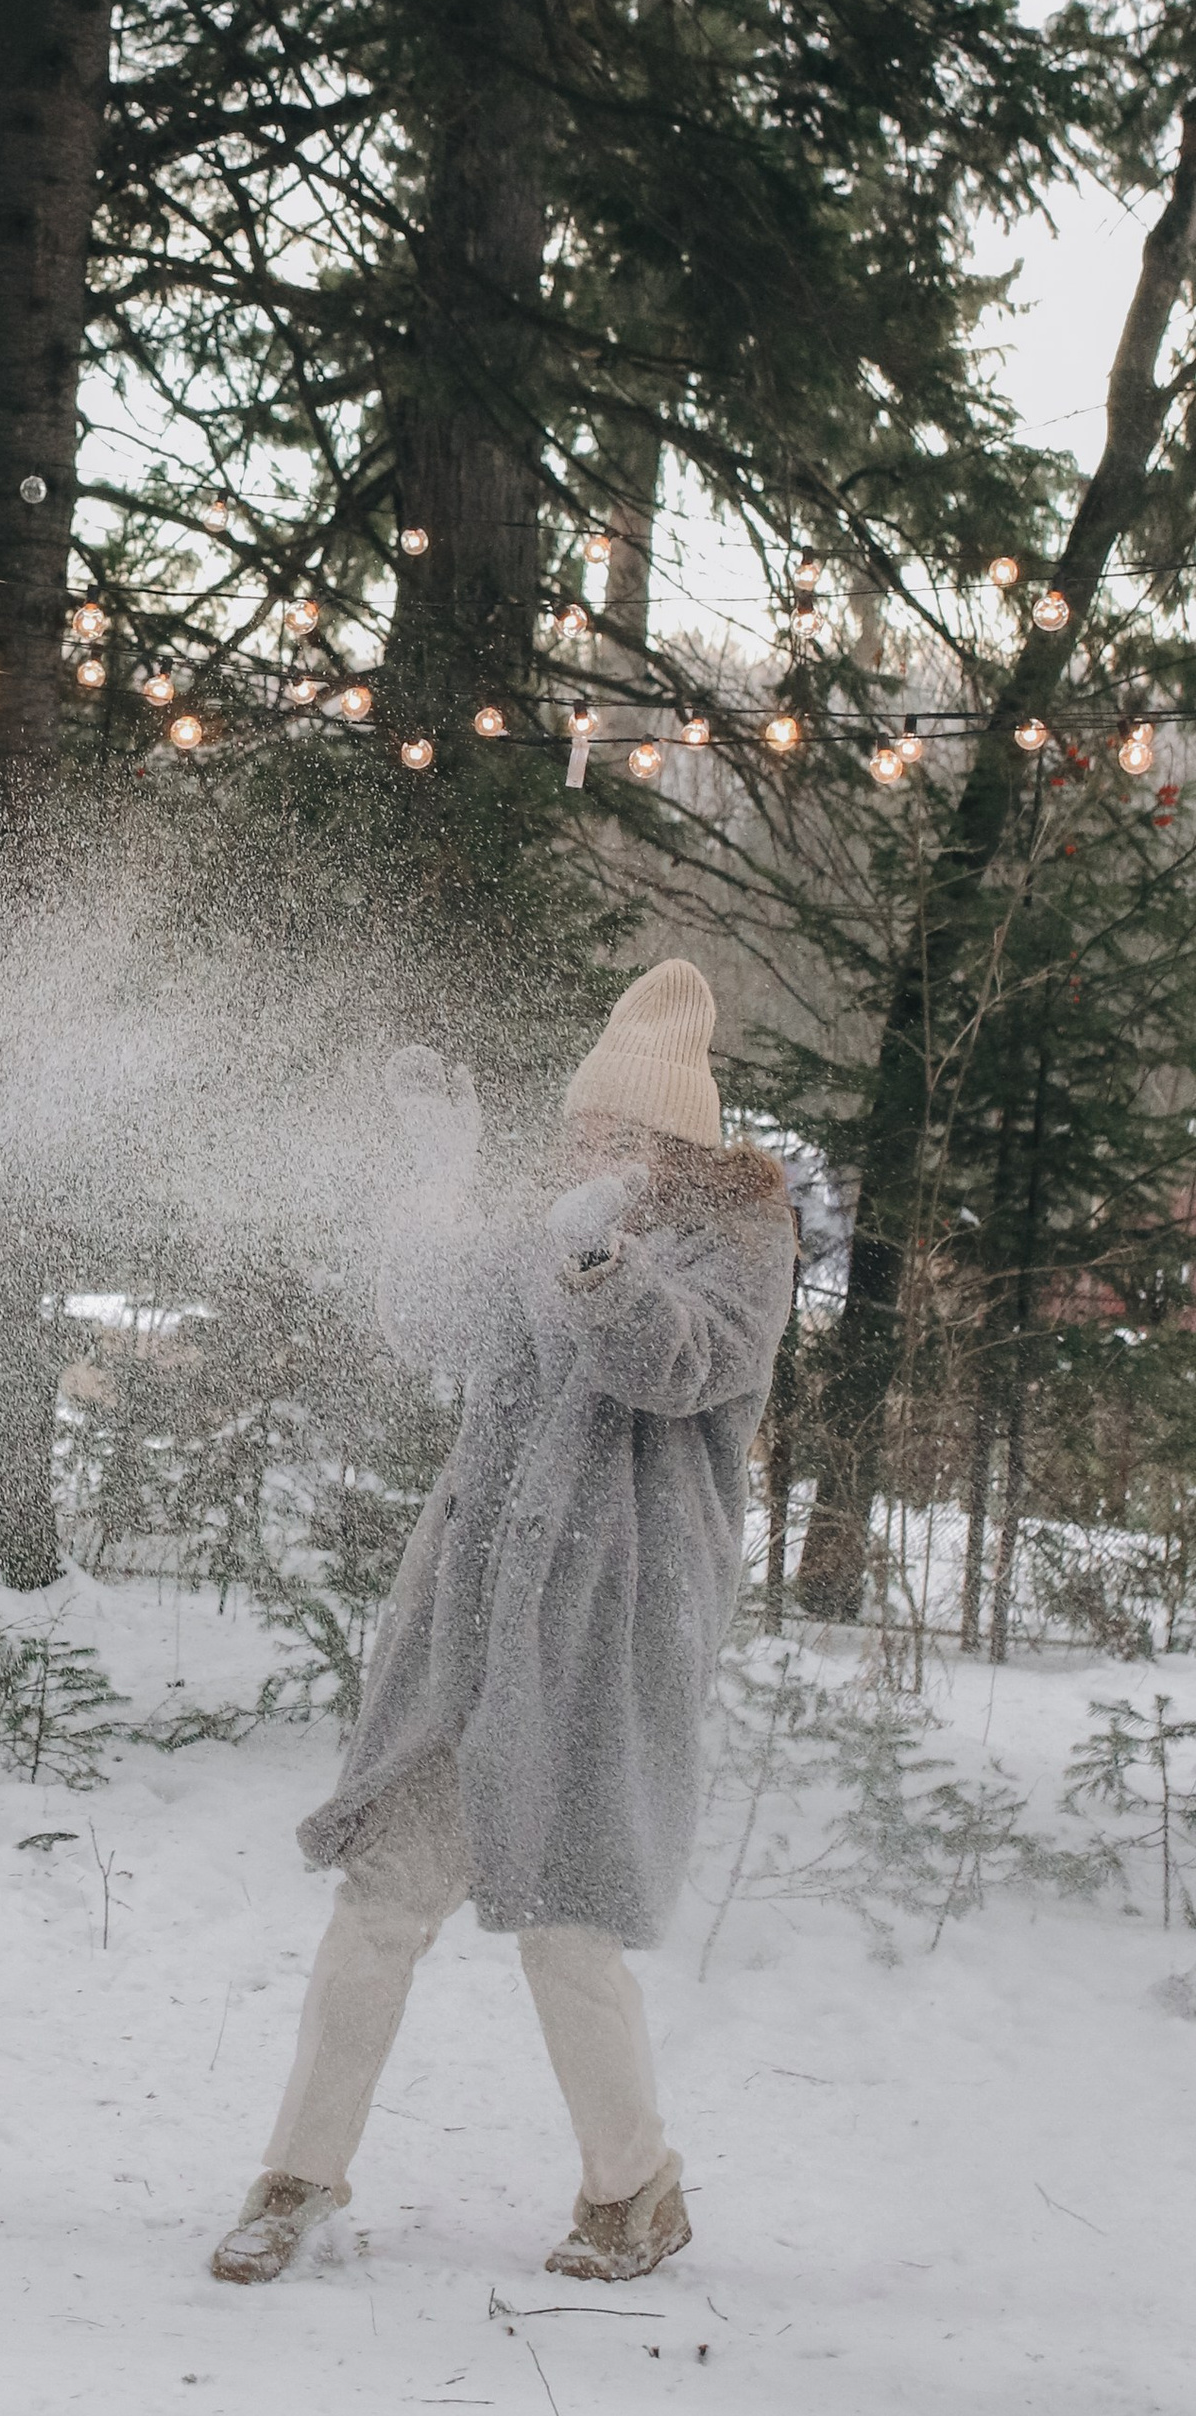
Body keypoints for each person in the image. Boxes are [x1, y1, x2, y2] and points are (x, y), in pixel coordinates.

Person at [212, 958, 794, 2290]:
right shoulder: (550, 1219)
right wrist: (434, 1179)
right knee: (380, 1904)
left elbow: (679, 1365)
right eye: (583, 1131)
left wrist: (602, 1261)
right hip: (471, 1635)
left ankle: (634, 2189)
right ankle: (295, 2180)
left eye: (623, 1137)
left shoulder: (739, 1248)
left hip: (600, 1639)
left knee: (566, 1926)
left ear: (681, 1147)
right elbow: (427, 1317)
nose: (592, 1153)